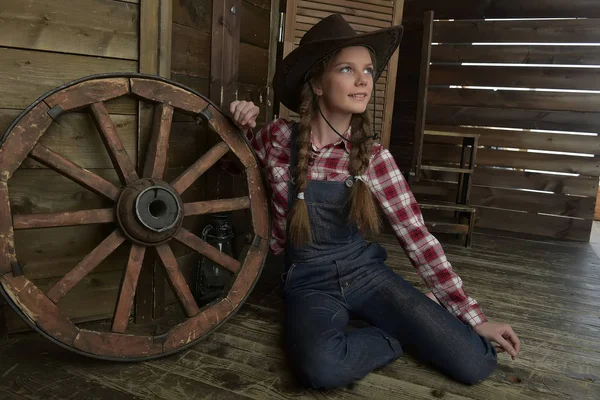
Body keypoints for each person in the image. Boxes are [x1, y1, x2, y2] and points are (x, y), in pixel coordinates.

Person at [228, 14, 520, 390]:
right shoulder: (277, 137)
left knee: (476, 362)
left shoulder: (373, 157)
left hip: (365, 274)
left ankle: (417, 312)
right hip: (308, 282)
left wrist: (472, 315)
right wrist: (239, 126)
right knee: (322, 369)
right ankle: (399, 331)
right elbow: (230, 166)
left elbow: (417, 237)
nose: (363, 79)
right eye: (347, 69)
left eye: (367, 70)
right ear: (317, 82)